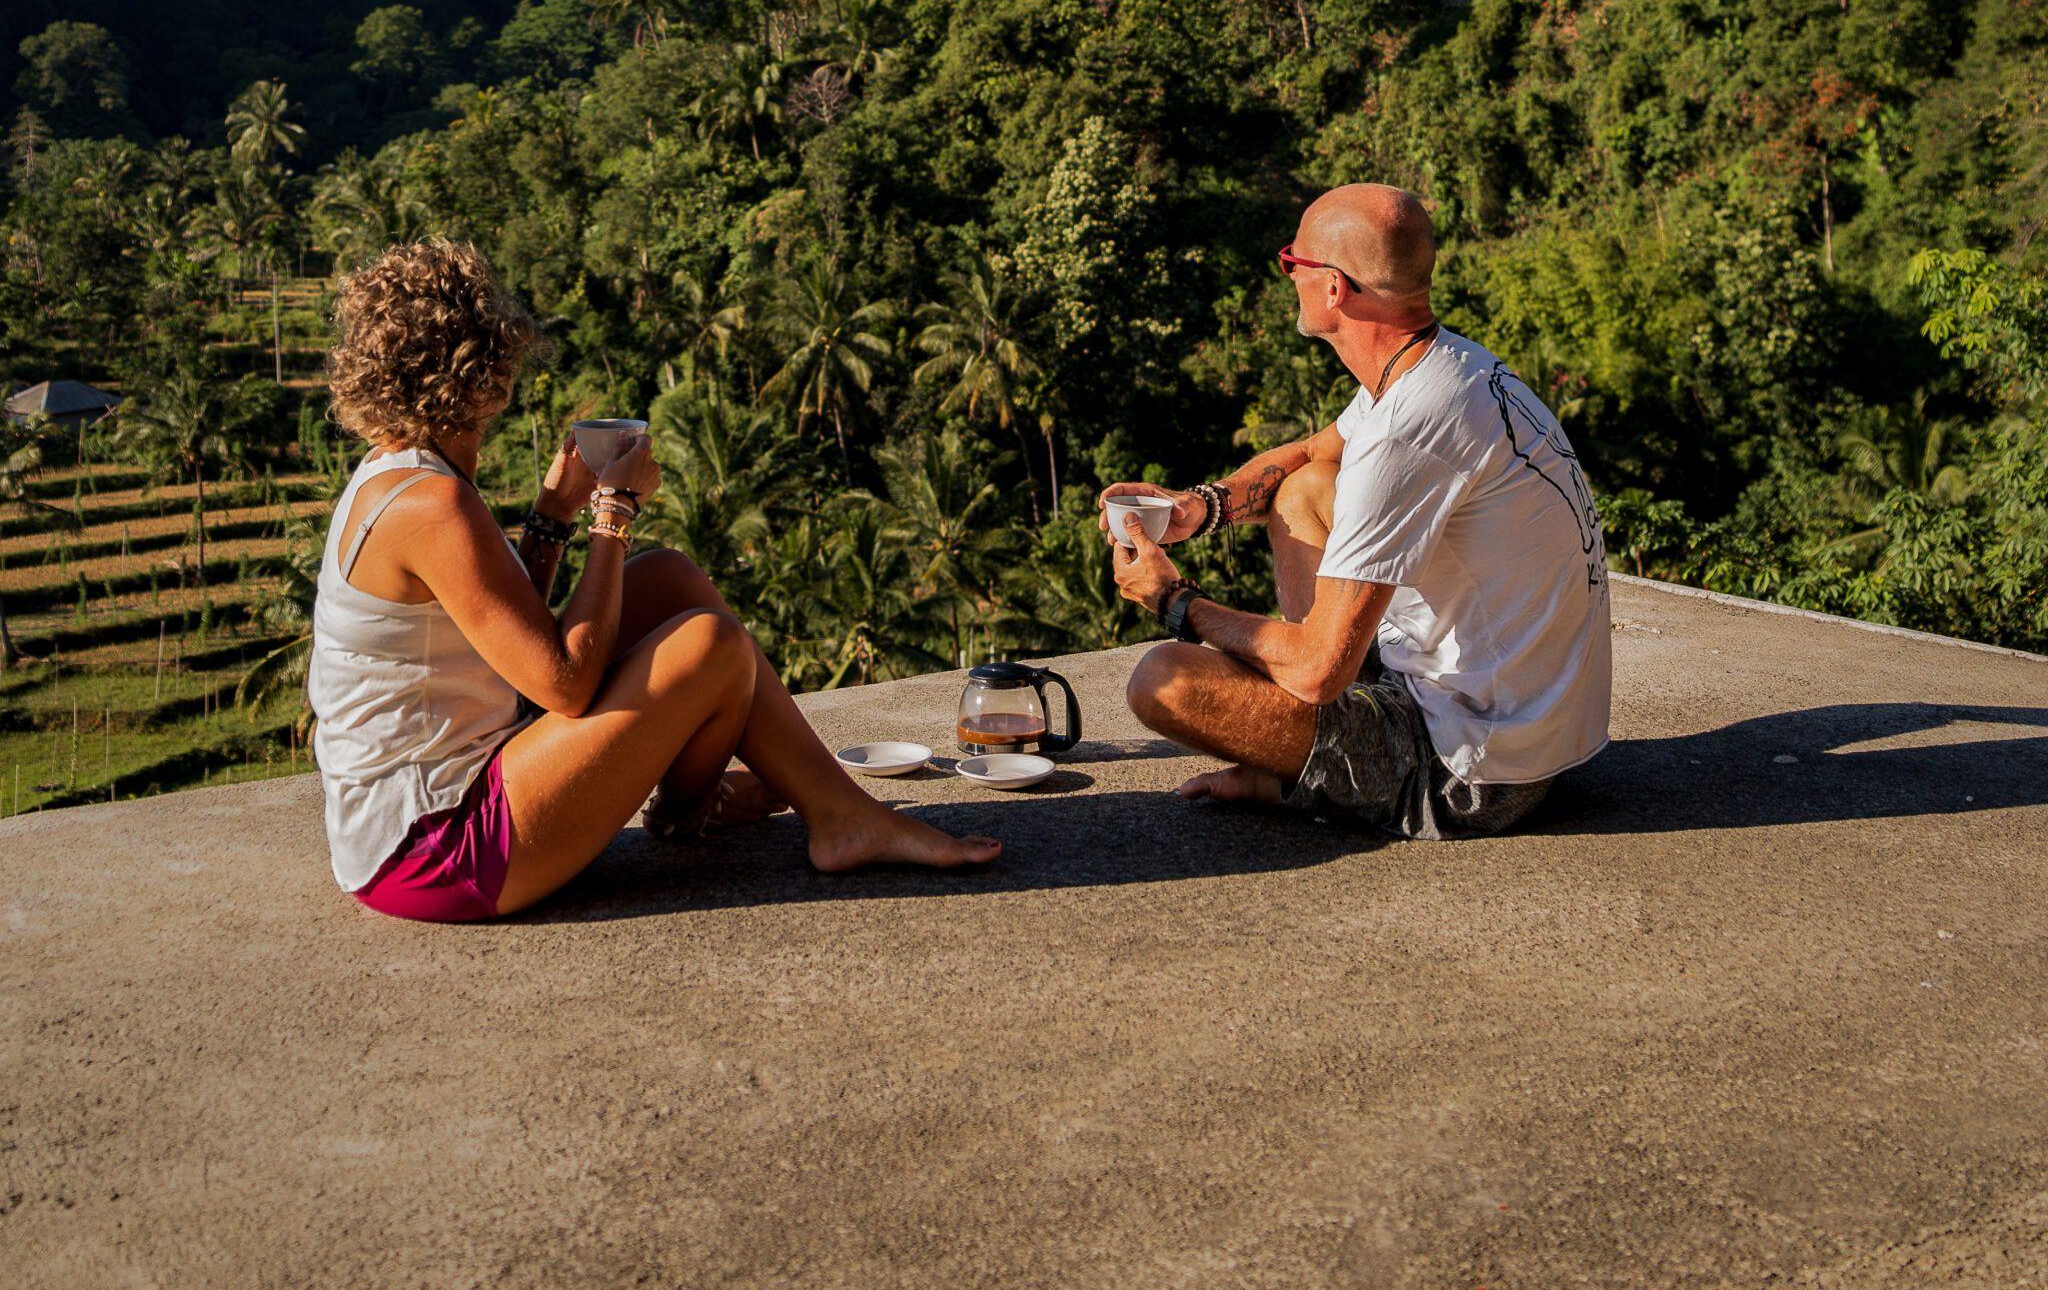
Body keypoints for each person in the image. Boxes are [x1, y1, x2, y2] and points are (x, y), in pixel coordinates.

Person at [309, 238, 998, 921]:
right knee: (711, 648)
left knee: (668, 578)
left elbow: (500, 631)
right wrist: (612, 513)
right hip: (438, 848)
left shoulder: (400, 469)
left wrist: (553, 513)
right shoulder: (434, 504)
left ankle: (801, 810)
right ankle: (790, 815)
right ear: (491, 373)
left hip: (442, 799)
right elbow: (563, 683)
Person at [1100, 184, 1609, 839]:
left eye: (1293, 264)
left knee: (1162, 681)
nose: (1288, 276)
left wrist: (1175, 602)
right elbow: (1314, 452)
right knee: (1305, 491)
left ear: (1333, 288)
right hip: (1528, 725)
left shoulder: (1409, 430)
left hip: (1474, 769)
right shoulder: (1443, 369)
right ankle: (1306, 756)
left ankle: (1304, 773)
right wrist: (1203, 508)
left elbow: (1318, 671)